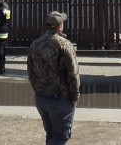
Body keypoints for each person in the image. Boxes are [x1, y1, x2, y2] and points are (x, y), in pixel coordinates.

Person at [27, 11, 81, 145]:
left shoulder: (35, 44)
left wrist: (38, 90)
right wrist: (75, 96)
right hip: (60, 98)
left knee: (51, 134)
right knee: (61, 137)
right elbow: (73, 73)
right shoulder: (64, 44)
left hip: (41, 98)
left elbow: (30, 71)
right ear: (59, 26)